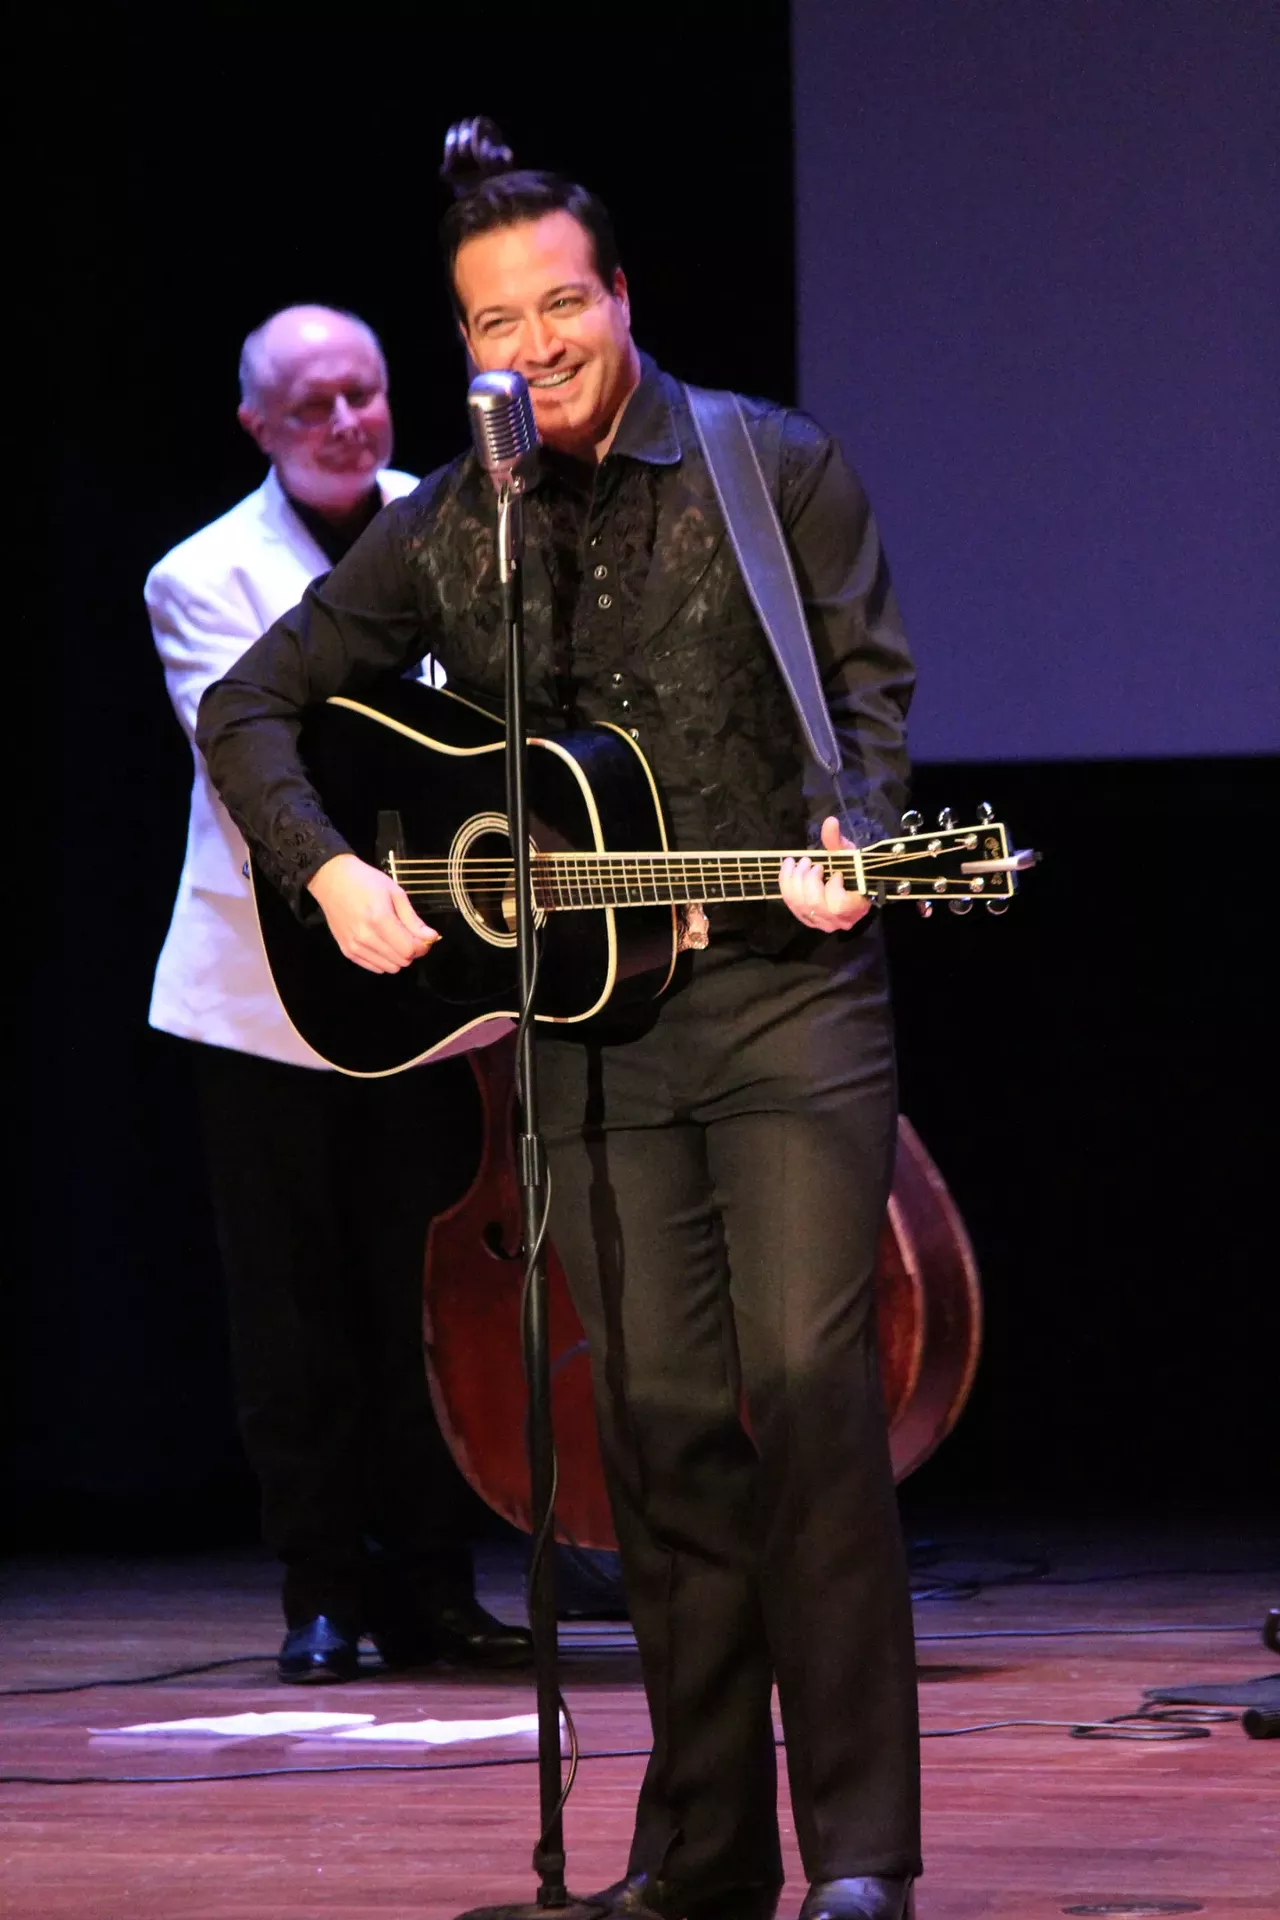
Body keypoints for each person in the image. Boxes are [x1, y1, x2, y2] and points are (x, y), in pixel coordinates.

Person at [196, 152, 920, 1920]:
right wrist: (332, 872)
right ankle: (700, 1861)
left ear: (621, 298)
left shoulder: (771, 464)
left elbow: (869, 695)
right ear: (467, 344)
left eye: (562, 303)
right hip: (593, 1029)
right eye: (494, 321)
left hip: (783, 994)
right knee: (655, 1428)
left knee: (808, 1392)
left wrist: (858, 830)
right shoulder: (457, 521)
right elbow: (249, 703)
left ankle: (861, 1863)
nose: (536, 344)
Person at [147, 304, 532, 1684]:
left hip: (429, 984)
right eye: (311, 405)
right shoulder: (201, 574)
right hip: (264, 993)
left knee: (421, 1297)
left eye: (362, 394)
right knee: (293, 1310)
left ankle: (437, 1585)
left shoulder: (455, 522)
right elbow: (258, 767)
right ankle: (321, 1590)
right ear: (257, 425)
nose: (346, 422)